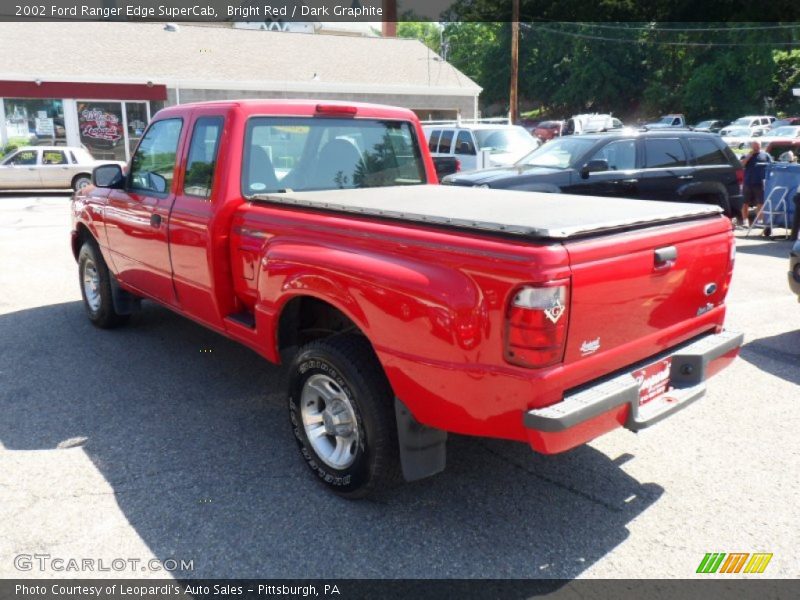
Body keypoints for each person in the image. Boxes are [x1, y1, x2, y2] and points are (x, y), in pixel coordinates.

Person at [740, 140, 772, 228]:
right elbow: (741, 165)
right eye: (754, 146)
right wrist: (749, 156)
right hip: (748, 182)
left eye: (758, 146)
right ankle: (745, 221)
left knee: (760, 202)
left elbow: (771, 166)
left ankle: (760, 220)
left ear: (760, 146)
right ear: (751, 146)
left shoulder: (765, 155)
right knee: (745, 202)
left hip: (760, 183)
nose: (756, 148)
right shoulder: (746, 155)